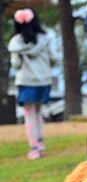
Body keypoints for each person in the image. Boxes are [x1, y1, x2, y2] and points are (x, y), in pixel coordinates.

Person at [8, 8, 57, 160]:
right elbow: (54, 58)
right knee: (38, 111)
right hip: (44, 80)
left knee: (29, 114)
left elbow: (15, 64)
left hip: (26, 80)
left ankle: (34, 148)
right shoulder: (46, 37)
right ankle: (41, 142)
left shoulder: (16, 42)